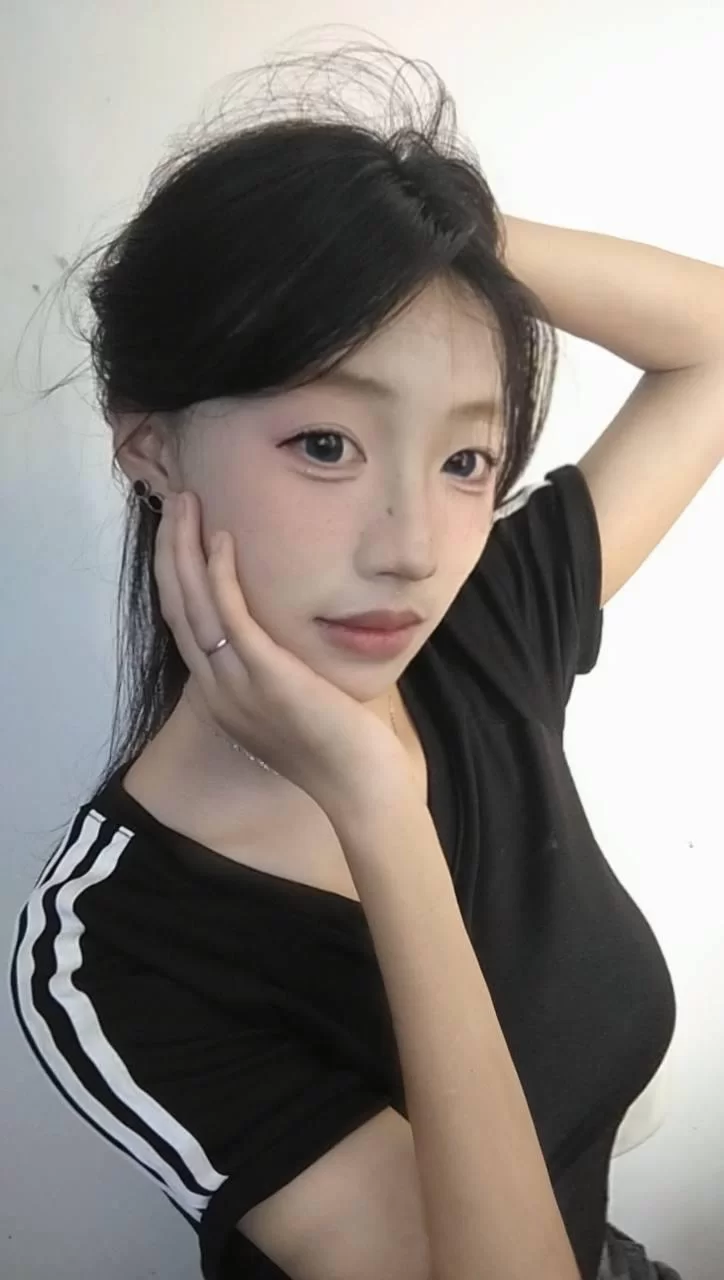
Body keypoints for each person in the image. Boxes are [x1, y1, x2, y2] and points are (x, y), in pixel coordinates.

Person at [8, 45, 684, 1280]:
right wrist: (379, 811)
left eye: (465, 461)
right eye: (326, 443)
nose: (413, 550)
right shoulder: (112, 946)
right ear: (150, 446)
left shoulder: (485, 625)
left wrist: (435, 228)